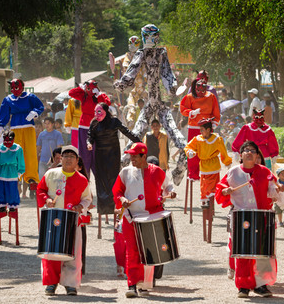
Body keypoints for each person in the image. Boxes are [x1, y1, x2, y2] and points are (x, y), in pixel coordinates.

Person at [114, 24, 187, 186]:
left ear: (157, 37)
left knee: (184, 146)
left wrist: (172, 88)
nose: (149, 39)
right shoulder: (141, 53)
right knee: (133, 139)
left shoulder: (162, 52)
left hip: (158, 104)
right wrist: (122, 83)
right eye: (146, 36)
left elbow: (167, 73)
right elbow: (132, 71)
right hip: (149, 105)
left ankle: (178, 173)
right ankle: (119, 181)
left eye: (152, 36)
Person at [215, 141, 283, 298]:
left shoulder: (265, 172)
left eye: (253, 150)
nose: (249, 152)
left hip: (261, 216)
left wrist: (277, 189)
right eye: (246, 150)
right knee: (243, 253)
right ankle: (243, 286)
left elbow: (273, 191)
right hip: (242, 217)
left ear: (257, 155)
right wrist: (225, 191)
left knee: (262, 252)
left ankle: (261, 285)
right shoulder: (233, 173)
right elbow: (220, 190)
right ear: (241, 155)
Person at [112, 142, 173, 298]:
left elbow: (169, 187)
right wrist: (123, 199)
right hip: (131, 218)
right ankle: (132, 284)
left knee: (149, 251)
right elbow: (117, 191)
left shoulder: (157, 172)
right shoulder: (125, 172)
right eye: (131, 156)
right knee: (132, 251)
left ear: (144, 156)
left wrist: (171, 193)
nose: (132, 159)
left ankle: (144, 285)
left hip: (151, 218)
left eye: (135, 156)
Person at [37, 145, 93, 296]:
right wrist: (47, 199)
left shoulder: (82, 180)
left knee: (73, 254)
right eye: (65, 156)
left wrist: (80, 206)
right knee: (51, 253)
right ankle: (51, 283)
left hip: (73, 221)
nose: (68, 159)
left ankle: (71, 284)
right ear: (60, 158)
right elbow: (40, 190)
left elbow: (87, 199)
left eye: (72, 157)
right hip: (53, 219)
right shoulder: (50, 174)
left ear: (77, 161)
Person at [87, 102, 140, 216]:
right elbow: (90, 136)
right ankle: (104, 209)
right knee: (101, 181)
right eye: (95, 112)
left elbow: (127, 132)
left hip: (113, 154)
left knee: (114, 179)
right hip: (100, 155)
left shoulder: (114, 121)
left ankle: (115, 206)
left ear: (106, 111)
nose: (97, 114)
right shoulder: (94, 123)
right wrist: (89, 143)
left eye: (99, 111)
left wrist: (139, 141)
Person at [185, 118, 232, 243]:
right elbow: (189, 146)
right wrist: (189, 152)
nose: (201, 132)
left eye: (202, 130)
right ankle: (206, 206)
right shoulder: (198, 139)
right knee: (203, 189)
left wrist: (227, 161)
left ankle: (210, 205)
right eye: (200, 130)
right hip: (203, 167)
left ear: (208, 130)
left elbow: (223, 152)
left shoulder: (217, 139)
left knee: (212, 189)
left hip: (213, 167)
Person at [0, 78, 43, 195]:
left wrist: (35, 112)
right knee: (14, 152)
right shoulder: (7, 100)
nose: (14, 90)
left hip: (29, 127)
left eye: (16, 87)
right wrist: (0, 126)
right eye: (11, 87)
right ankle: (14, 176)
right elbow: (4, 112)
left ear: (22, 86)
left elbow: (40, 106)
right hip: (15, 128)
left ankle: (31, 177)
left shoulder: (30, 97)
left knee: (30, 152)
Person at [180, 71, 220, 181]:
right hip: (193, 125)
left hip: (207, 125)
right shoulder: (190, 95)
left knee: (208, 149)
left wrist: (215, 121)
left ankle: (207, 172)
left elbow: (216, 109)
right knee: (193, 150)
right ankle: (193, 172)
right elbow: (183, 108)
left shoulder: (211, 95)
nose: (201, 92)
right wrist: (191, 112)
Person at [69, 80, 111, 178]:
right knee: (84, 154)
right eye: (88, 88)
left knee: (97, 154)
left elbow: (107, 104)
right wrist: (80, 88)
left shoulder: (99, 96)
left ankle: (100, 182)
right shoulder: (83, 96)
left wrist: (99, 94)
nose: (90, 91)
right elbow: (71, 93)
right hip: (83, 127)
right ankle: (84, 178)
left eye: (93, 88)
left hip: (97, 127)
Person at [0, 130, 25, 211]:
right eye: (6, 141)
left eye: (10, 140)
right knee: (0, 189)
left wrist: (20, 171)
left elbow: (21, 161)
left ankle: (12, 205)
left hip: (12, 172)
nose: (8, 142)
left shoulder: (18, 149)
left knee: (12, 189)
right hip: (1, 171)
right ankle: (1, 205)